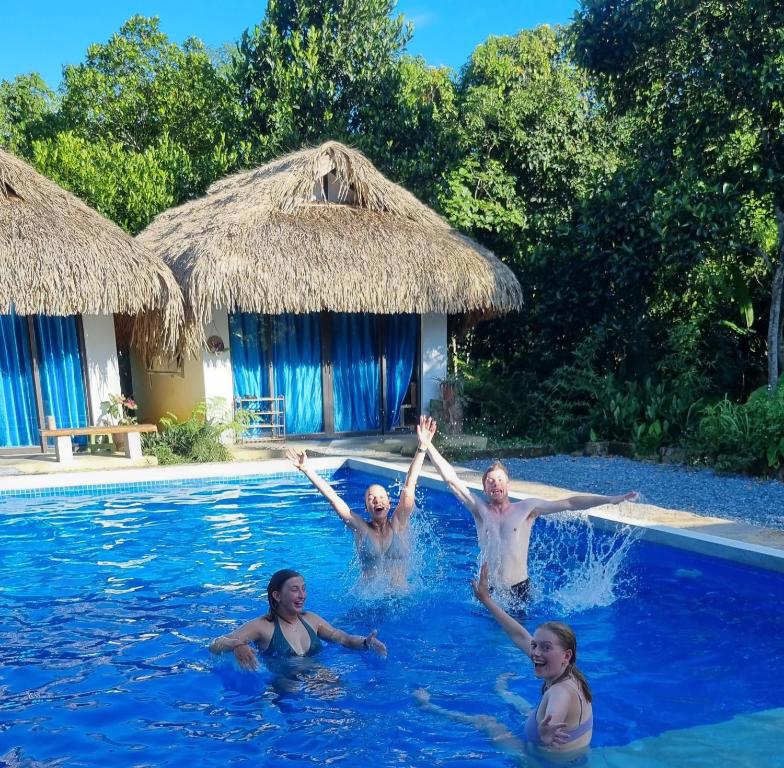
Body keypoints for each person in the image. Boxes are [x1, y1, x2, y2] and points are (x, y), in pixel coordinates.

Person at [414, 562, 592, 760]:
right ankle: (502, 691)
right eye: (536, 646)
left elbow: (556, 709)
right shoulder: (571, 674)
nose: (536, 653)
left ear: (566, 655)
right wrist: (486, 599)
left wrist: (546, 735)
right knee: (527, 710)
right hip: (574, 758)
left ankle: (426, 706)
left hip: (539, 763)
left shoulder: (560, 692)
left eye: (546, 647)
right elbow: (519, 636)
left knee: (486, 721)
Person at [425, 444, 637, 600]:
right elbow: (451, 480)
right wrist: (427, 446)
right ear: (485, 489)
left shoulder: (527, 508)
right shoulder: (480, 511)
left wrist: (609, 499)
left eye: (500, 479)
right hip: (489, 591)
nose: (495, 483)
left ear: (508, 484)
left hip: (519, 590)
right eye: (490, 481)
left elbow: (570, 502)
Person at [285, 416, 437, 588]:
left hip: (401, 600)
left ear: (389, 504)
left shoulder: (398, 524)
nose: (377, 501)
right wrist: (307, 470)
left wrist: (422, 448)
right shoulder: (361, 528)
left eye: (381, 498)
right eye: (371, 499)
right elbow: (333, 498)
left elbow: (409, 486)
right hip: (368, 603)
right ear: (367, 508)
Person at [209, 568, 387, 670]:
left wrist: (365, 643)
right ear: (277, 595)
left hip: (318, 675)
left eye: (304, 589)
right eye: (295, 590)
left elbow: (343, 638)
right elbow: (215, 644)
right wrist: (237, 645)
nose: (302, 595)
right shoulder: (262, 626)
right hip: (286, 689)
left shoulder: (311, 619)